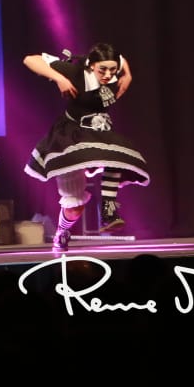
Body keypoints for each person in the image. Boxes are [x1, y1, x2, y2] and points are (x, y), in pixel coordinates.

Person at [23, 43, 149, 253]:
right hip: (71, 136)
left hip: (99, 132)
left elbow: (121, 60)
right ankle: (62, 231)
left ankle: (108, 210)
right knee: (75, 208)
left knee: (117, 154)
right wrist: (59, 78)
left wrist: (127, 74)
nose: (108, 75)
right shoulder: (74, 71)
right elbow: (30, 59)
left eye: (112, 70)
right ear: (91, 65)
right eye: (102, 70)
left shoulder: (115, 71)